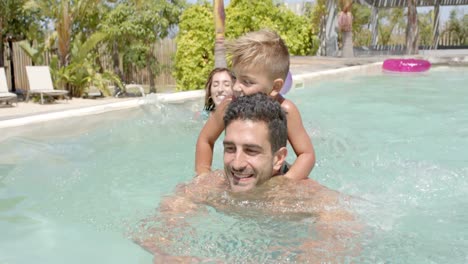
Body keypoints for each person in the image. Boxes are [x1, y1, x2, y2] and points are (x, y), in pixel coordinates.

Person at [135, 93, 360, 263]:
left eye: (251, 151)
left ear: (278, 159)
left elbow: (346, 229)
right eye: (230, 148)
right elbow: (153, 233)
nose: (237, 163)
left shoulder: (301, 196)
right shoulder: (212, 187)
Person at [195, 29, 316, 180]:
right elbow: (205, 139)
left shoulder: (286, 110)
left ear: (275, 87)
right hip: (241, 174)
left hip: (278, 174)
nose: (236, 87)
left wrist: (285, 183)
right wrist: (203, 174)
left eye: (247, 81)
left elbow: (307, 154)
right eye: (236, 78)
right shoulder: (229, 105)